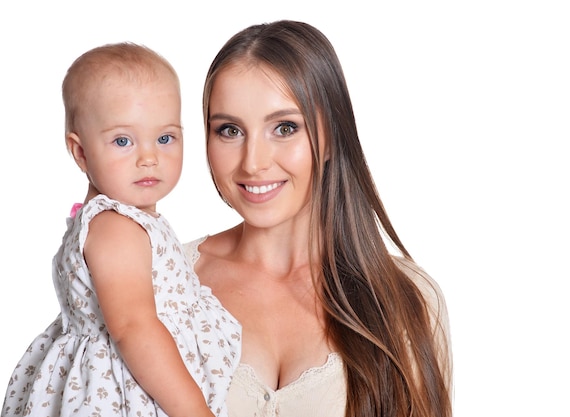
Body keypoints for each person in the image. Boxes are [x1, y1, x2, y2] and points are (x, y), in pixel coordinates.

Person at [183, 20, 452, 417]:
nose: (253, 162)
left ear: (330, 136)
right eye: (229, 130)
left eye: (285, 127)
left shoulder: (409, 299)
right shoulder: (160, 279)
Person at [1, 42, 241, 417]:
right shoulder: (116, 227)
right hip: (131, 397)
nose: (149, 157)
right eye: (123, 141)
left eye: (165, 138)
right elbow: (133, 328)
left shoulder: (125, 221)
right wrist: (194, 410)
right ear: (80, 153)